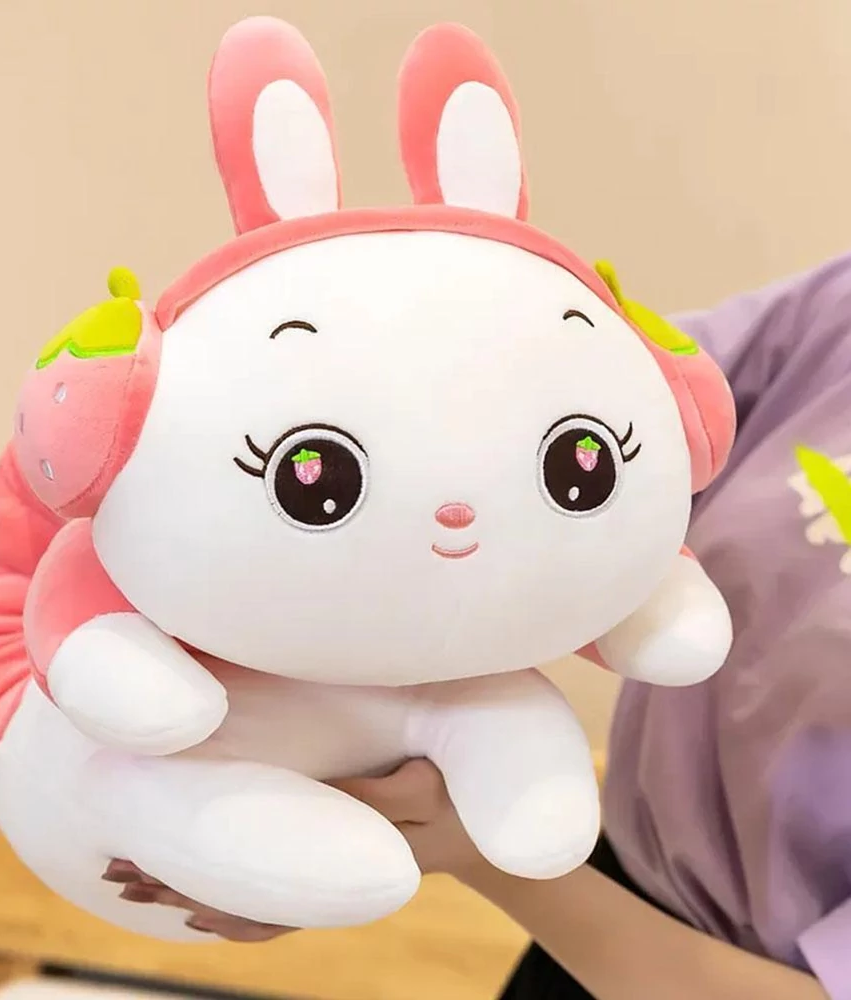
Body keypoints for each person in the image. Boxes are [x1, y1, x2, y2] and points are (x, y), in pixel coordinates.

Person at [113, 253, 851, 1000]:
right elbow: (608, 409)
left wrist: (465, 849)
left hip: (670, 959)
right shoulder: (836, 313)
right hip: (609, 889)